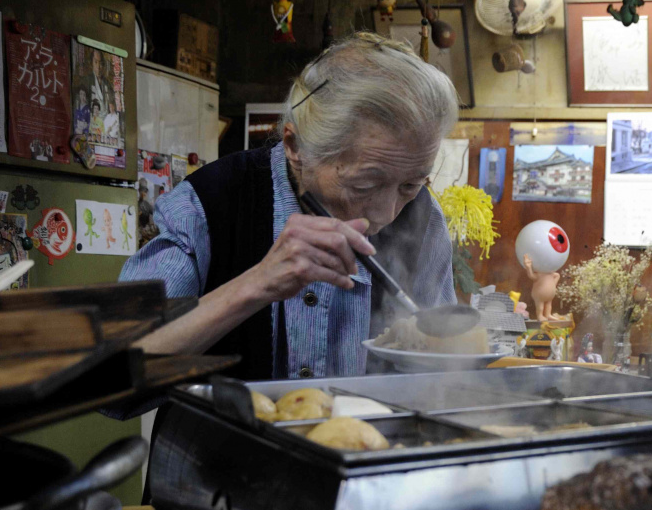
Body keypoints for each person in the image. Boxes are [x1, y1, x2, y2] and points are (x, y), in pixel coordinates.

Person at [120, 33, 458, 379]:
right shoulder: (211, 203)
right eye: (364, 185)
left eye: (410, 185)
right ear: (295, 147)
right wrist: (258, 284)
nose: (386, 214)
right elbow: (112, 372)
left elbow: (444, 376)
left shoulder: (423, 220)